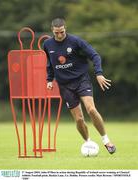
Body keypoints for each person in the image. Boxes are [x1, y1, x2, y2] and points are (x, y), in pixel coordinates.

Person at [43, 18, 116, 154]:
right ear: (52, 30)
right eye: (56, 33)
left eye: (62, 32)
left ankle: (106, 140)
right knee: (79, 119)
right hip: (64, 85)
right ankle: (88, 143)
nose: (59, 35)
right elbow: (50, 63)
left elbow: (95, 55)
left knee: (91, 110)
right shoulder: (47, 44)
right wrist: (49, 79)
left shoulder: (76, 41)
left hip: (81, 80)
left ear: (66, 29)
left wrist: (99, 73)